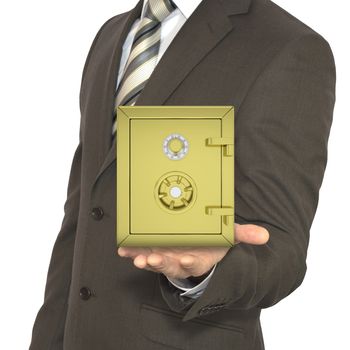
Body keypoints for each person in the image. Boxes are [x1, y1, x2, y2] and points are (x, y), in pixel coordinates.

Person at [29, 0, 336, 349]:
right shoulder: (111, 35)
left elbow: (283, 252)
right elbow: (83, 214)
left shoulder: (286, 46)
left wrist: (208, 271)